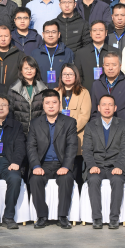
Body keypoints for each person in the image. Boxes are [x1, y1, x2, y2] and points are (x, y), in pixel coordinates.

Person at [26, 91, 79, 228]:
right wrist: (36, 166)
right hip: (43, 164)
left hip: (61, 164)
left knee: (66, 179)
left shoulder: (69, 122)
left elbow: (72, 146)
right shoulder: (35, 123)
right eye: (47, 103)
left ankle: (63, 216)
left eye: (54, 102)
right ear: (43, 105)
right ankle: (42, 216)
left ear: (59, 104)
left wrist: (66, 166)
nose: (51, 106)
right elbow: (31, 147)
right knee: (35, 179)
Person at [80, 94, 125, 229]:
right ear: (98, 108)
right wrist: (91, 165)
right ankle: (97, 218)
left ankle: (114, 218)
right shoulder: (91, 126)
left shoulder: (123, 125)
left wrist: (119, 166)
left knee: (118, 180)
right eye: (104, 105)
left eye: (110, 105)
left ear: (115, 108)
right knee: (93, 179)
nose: (107, 108)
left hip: (115, 165)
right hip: (97, 165)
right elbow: (87, 150)